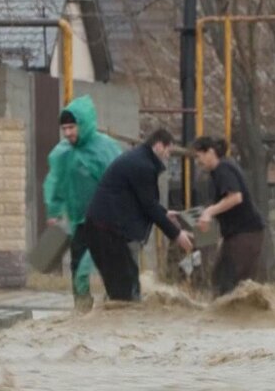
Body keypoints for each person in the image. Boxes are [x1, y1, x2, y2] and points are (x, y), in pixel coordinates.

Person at [77, 129, 194, 302]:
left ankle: (112, 322)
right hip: (107, 232)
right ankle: (115, 323)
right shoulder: (143, 166)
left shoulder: (138, 159)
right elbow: (149, 206)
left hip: (106, 230)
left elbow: (139, 200)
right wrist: (176, 234)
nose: (168, 156)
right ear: (159, 145)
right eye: (168, 150)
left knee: (125, 287)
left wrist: (164, 213)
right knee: (124, 293)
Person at [42, 95, 123, 311]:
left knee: (105, 268)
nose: (68, 133)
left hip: (106, 222)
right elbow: (56, 181)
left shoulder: (105, 149)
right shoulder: (63, 153)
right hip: (79, 222)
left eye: (72, 127)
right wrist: (54, 210)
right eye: (64, 128)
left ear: (83, 124)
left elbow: (122, 182)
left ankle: (117, 308)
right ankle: (82, 312)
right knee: (78, 269)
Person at [192, 136, 266, 296]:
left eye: (198, 156)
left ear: (210, 152)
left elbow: (235, 197)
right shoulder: (218, 171)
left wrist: (209, 212)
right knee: (220, 278)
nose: (197, 161)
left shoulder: (223, 169)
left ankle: (236, 317)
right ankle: (227, 317)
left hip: (246, 233)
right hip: (236, 234)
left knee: (229, 282)